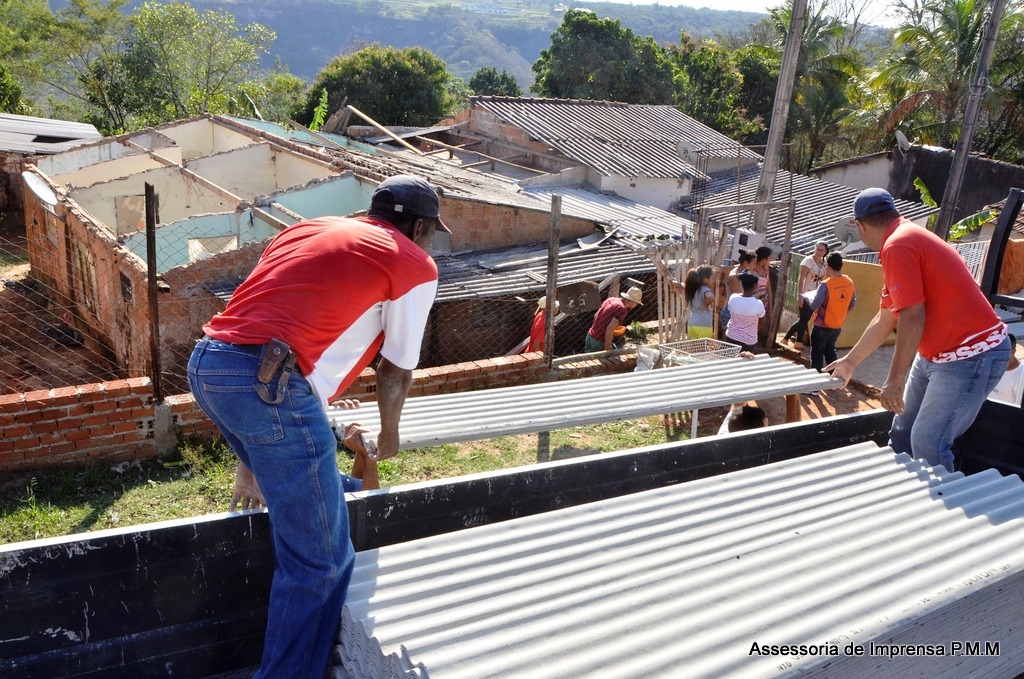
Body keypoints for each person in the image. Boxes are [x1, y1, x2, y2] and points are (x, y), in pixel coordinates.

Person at [187, 174, 448, 679]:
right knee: (322, 562)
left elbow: (256, 331)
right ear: (418, 227)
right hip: (273, 386)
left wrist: (249, 464)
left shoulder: (308, 231)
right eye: (432, 231)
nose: (430, 240)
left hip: (208, 367)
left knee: (309, 546)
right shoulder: (413, 262)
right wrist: (388, 435)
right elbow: (395, 367)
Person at [826, 187, 1010, 472]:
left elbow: (913, 316)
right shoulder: (903, 237)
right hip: (936, 354)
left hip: (969, 355)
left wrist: (895, 378)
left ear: (860, 226)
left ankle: (939, 509)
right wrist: (851, 361)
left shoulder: (898, 245)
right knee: (902, 432)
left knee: (927, 441)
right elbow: (886, 317)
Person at [808, 252, 856, 373]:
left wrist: (809, 300)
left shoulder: (825, 285)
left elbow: (815, 305)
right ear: (842, 265)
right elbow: (852, 305)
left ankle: (815, 387)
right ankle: (833, 379)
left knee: (817, 355)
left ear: (828, 267)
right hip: (837, 325)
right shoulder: (849, 282)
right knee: (830, 351)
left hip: (821, 326)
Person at [783, 241, 829, 349]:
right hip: (806, 293)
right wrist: (800, 295)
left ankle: (796, 341)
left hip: (816, 294)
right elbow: (801, 278)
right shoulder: (808, 261)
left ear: (825, 251)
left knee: (804, 319)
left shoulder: (824, 263)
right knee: (804, 318)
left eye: (821, 250)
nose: (818, 252)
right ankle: (788, 338)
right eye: (817, 249)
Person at [585, 285, 643, 352]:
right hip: (599, 341)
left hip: (590, 336)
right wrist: (607, 350)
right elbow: (610, 329)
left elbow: (596, 315)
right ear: (633, 301)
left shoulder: (611, 299)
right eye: (637, 303)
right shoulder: (622, 309)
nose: (636, 305)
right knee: (612, 358)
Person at [724, 272, 764, 352]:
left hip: (731, 337)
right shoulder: (758, 304)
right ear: (755, 286)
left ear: (741, 284)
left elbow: (730, 313)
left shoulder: (733, 298)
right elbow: (762, 322)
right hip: (749, 341)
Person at [989, 334, 1024, 407]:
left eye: (1001, 352)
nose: (997, 355)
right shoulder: (988, 366)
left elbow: (1019, 408)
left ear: (1013, 351)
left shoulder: (1021, 375)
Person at [751, 245, 775, 345]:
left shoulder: (766, 269)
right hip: (754, 300)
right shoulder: (753, 269)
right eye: (769, 258)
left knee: (761, 323)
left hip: (764, 301)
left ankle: (755, 342)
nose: (770, 260)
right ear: (764, 258)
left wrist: (770, 307)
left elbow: (768, 288)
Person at [683, 266, 716, 339]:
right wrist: (705, 305)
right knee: (703, 349)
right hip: (703, 325)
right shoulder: (704, 289)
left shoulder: (692, 288)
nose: (713, 280)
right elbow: (711, 297)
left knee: (695, 349)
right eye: (712, 278)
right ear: (705, 279)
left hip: (692, 324)